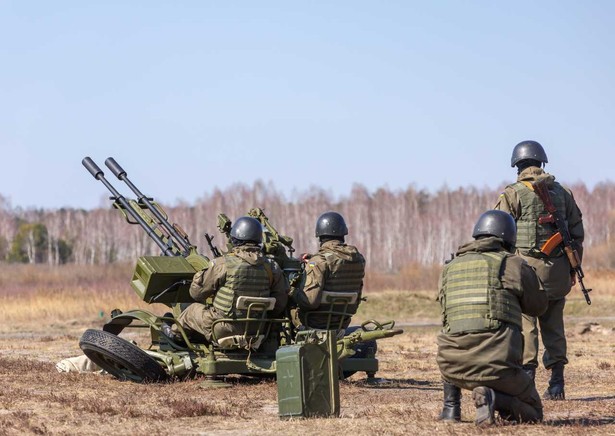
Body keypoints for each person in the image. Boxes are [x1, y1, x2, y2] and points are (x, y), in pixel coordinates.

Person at [436, 210, 548, 426]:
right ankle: (495, 399)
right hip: (499, 367)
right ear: (509, 239)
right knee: (534, 412)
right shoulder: (513, 264)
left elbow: (446, 315)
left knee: (455, 332)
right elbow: (538, 307)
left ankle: (451, 409)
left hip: (452, 368)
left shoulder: (449, 268)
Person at [494, 140, 585, 400]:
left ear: (517, 166)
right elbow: (577, 234)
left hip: (525, 274)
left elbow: (500, 236)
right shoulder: (563, 192)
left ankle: (528, 383)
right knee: (554, 327)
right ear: (541, 163)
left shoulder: (511, 194)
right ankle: (557, 384)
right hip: (557, 273)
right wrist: (572, 268)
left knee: (526, 327)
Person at [175, 216, 289, 345]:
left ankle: (175, 336)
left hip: (221, 329)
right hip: (257, 330)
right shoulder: (272, 267)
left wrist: (199, 276)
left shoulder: (223, 263)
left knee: (192, 310)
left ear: (235, 238)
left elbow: (196, 294)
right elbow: (279, 303)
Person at [290, 211, 365, 330]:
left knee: (287, 305)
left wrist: (292, 290)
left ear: (320, 235)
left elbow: (309, 302)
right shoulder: (359, 259)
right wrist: (313, 261)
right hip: (341, 324)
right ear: (343, 233)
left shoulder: (319, 262)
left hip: (314, 324)